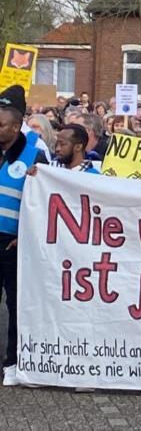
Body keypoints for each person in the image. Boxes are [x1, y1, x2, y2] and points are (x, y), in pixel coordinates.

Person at [0, 86, 47, 386]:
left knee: (15, 305)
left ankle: (13, 361)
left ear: (16, 126)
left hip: (13, 243)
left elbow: (43, 201)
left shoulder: (35, 154)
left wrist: (26, 234)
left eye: (1, 124)